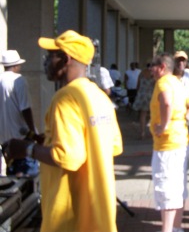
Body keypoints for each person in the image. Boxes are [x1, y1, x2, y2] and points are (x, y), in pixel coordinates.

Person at [4, 30, 123, 232]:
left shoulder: (65, 98)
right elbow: (113, 146)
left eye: (51, 55)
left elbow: (68, 157)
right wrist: (49, 141)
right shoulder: (99, 96)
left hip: (70, 218)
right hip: (100, 215)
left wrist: (27, 149)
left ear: (65, 59)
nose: (46, 61)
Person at [150, 53, 189, 232]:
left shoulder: (163, 83)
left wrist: (164, 126)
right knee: (178, 186)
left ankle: (167, 229)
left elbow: (167, 103)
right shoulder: (178, 83)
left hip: (167, 144)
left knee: (166, 187)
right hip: (181, 141)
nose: (150, 70)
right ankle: (176, 227)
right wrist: (182, 119)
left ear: (162, 67)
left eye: (152, 66)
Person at [0, 50, 39, 177]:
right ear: (16, 66)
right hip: (22, 137)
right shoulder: (19, 80)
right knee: (27, 177)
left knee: (12, 178)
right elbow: (25, 108)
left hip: (5, 140)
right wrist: (33, 133)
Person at [133, 63, 155, 139]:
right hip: (151, 96)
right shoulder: (154, 74)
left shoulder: (142, 73)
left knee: (142, 115)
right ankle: (153, 132)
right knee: (153, 115)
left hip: (142, 95)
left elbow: (137, 85)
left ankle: (142, 132)